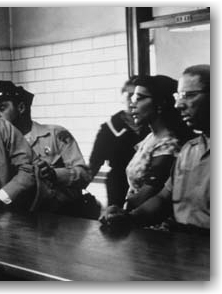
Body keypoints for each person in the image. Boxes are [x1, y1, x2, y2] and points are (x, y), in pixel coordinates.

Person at [99, 64, 210, 232]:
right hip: (182, 248)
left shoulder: (170, 145)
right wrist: (127, 218)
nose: (179, 104)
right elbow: (164, 199)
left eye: (190, 95)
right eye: (178, 96)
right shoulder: (189, 150)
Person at [0, 80, 95, 217]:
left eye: (2, 108)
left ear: (21, 108)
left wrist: (55, 174)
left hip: (64, 217)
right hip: (24, 219)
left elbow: (84, 176)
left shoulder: (55, 135)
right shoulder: (0, 147)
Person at [124, 75, 194, 210]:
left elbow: (147, 196)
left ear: (160, 103)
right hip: (135, 219)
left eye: (140, 98)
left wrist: (121, 208)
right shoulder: (150, 138)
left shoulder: (168, 145)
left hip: (153, 225)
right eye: (133, 98)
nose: (132, 104)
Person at [88, 77, 149, 208]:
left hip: (148, 185)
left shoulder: (152, 127)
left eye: (138, 97)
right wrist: (78, 189)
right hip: (118, 184)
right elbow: (95, 162)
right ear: (122, 97)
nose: (133, 101)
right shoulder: (109, 128)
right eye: (129, 95)